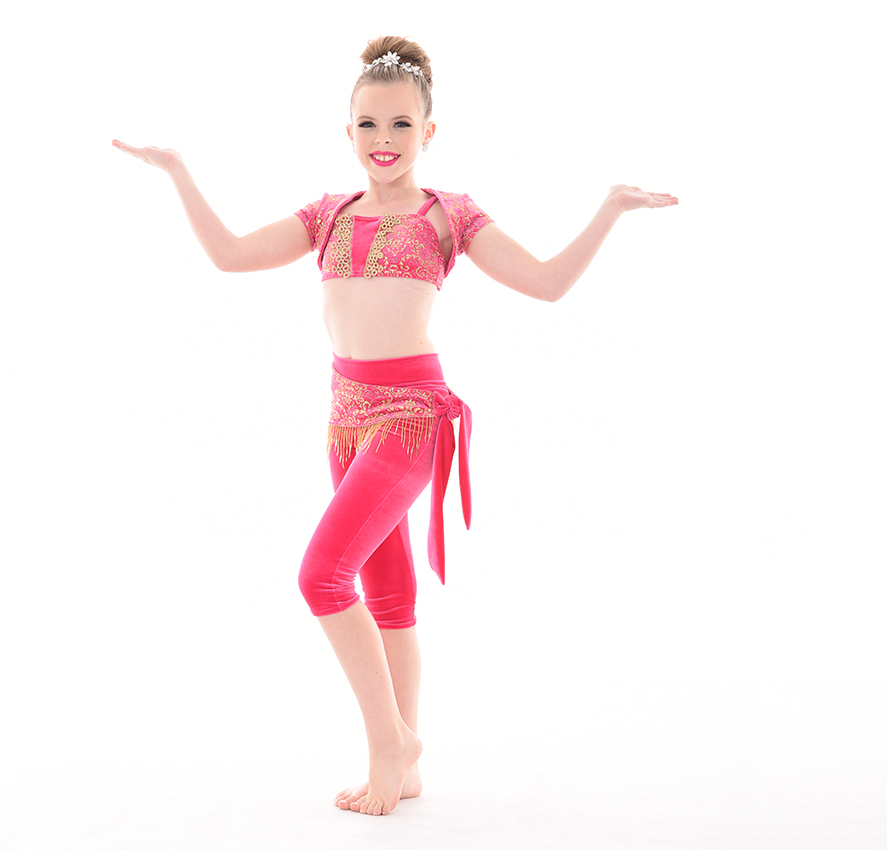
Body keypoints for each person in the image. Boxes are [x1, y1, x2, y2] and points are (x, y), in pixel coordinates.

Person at [112, 35, 677, 817]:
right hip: (344, 420)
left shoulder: (449, 215)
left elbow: (547, 283)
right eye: (370, 125)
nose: (385, 140)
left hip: (411, 418)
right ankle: (404, 765)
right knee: (386, 593)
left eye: (402, 124)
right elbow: (231, 256)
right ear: (347, 131)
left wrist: (610, 208)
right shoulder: (327, 214)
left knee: (320, 577)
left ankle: (391, 742)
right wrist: (177, 170)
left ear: (429, 131)